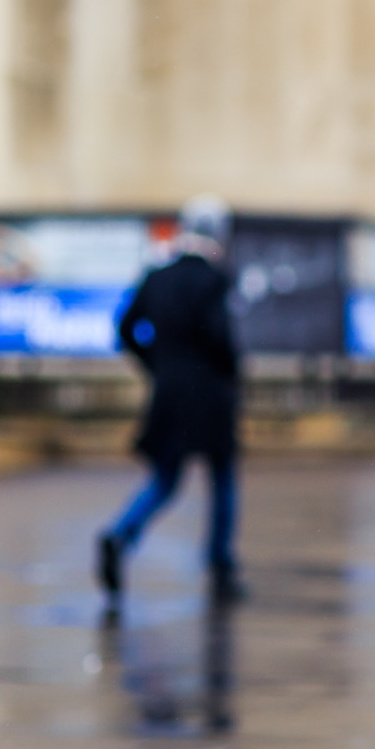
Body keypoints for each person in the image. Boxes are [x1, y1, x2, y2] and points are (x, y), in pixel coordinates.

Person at [98, 196, 242, 607]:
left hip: (170, 395)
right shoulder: (213, 279)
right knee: (223, 481)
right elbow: (220, 338)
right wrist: (232, 371)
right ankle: (220, 565)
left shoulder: (157, 276)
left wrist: (157, 364)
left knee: (164, 480)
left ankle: (120, 534)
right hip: (211, 397)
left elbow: (125, 328)